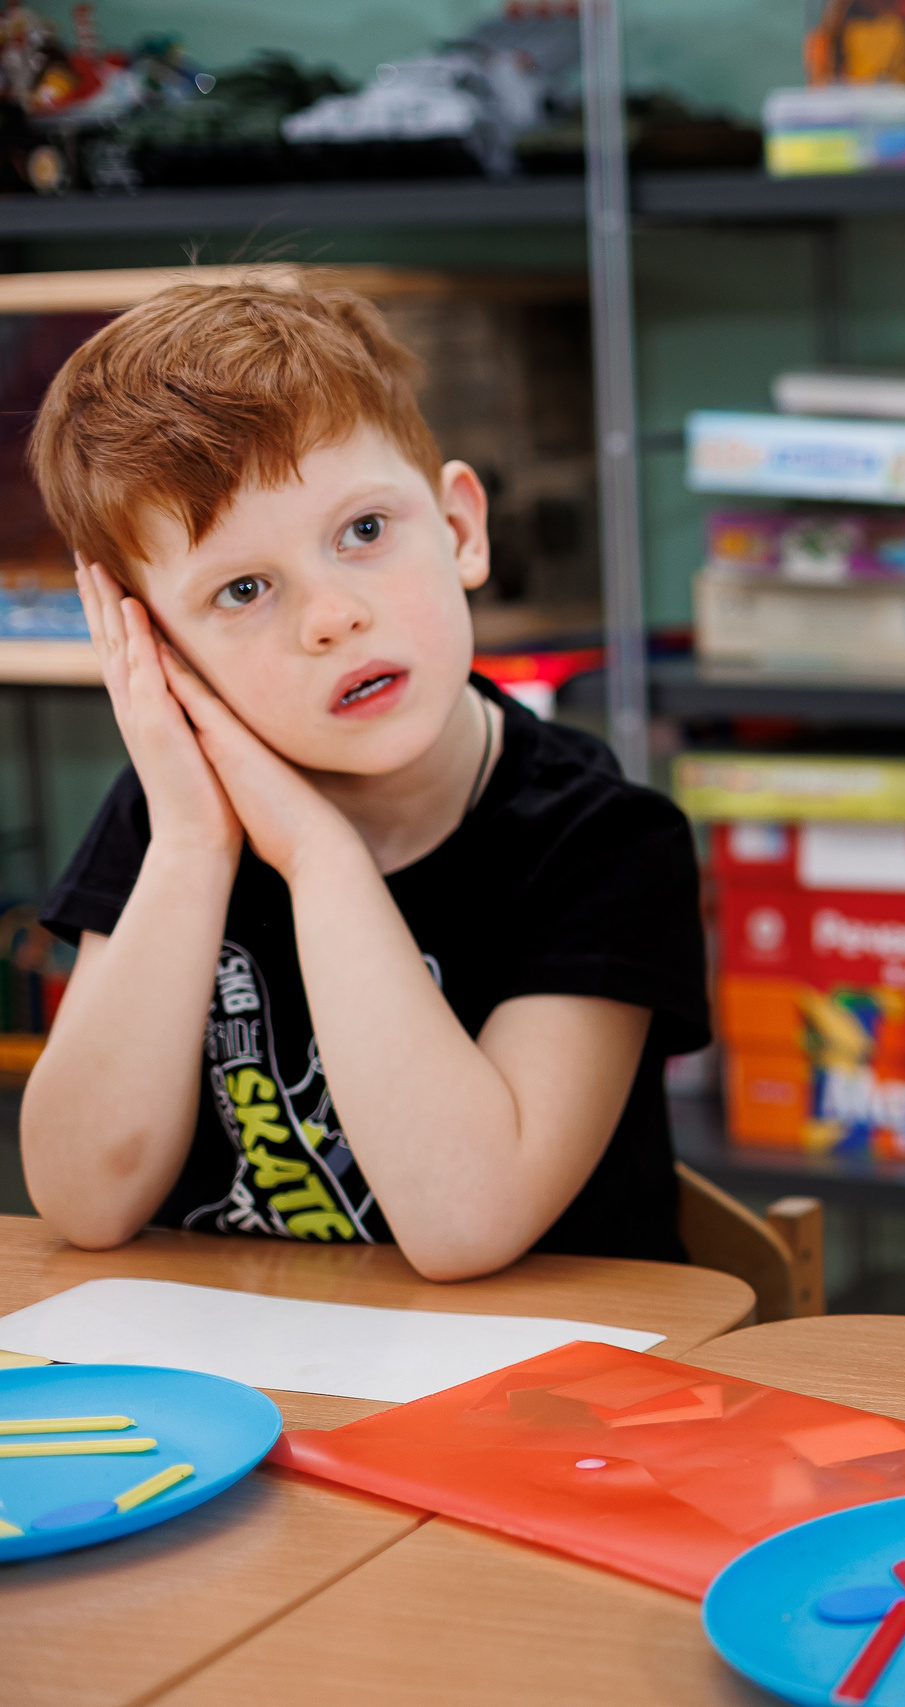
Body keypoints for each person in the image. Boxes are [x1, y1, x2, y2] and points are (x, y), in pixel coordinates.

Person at [20, 282, 708, 1278]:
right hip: (262, 1388)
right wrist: (190, 847)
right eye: (243, 590)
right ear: (155, 648)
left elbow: (466, 1224)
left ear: (461, 529)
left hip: (535, 1403)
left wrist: (320, 860)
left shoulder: (606, 842)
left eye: (364, 533)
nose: (331, 616)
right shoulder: (172, 821)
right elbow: (86, 1197)